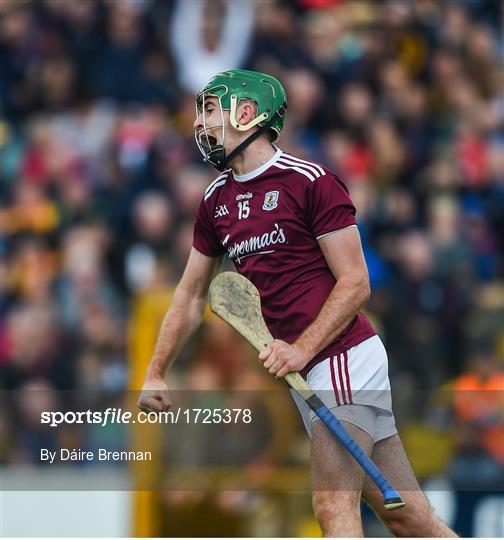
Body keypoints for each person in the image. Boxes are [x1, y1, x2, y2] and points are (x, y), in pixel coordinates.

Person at [138, 69, 457, 537]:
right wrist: (156, 369)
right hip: (305, 372)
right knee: (407, 515)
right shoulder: (215, 201)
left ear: (246, 114)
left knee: (331, 505)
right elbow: (189, 295)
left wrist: (302, 349)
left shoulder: (310, 181)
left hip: (345, 357)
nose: (201, 124)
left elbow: (355, 283)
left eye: (210, 110)